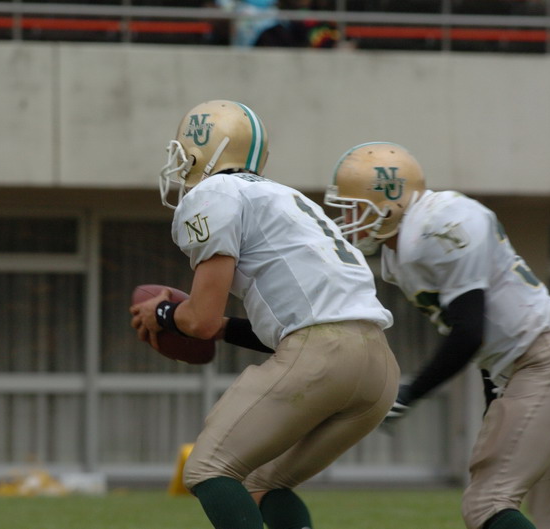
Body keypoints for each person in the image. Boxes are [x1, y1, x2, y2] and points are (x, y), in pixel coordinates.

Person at [130, 101, 399, 529]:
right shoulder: (289, 198)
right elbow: (301, 322)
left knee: (208, 469)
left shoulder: (215, 192)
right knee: (263, 482)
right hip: (378, 368)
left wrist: (162, 312)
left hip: (322, 356)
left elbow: (199, 320)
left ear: (202, 148)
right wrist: (221, 329)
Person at [324, 141, 550, 529]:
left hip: (544, 364)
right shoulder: (404, 246)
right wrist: (494, 403)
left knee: (486, 504)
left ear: (389, 203)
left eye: (355, 207)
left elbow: (470, 331)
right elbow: (482, 335)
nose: (348, 218)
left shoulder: (435, 227)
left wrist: (410, 393)